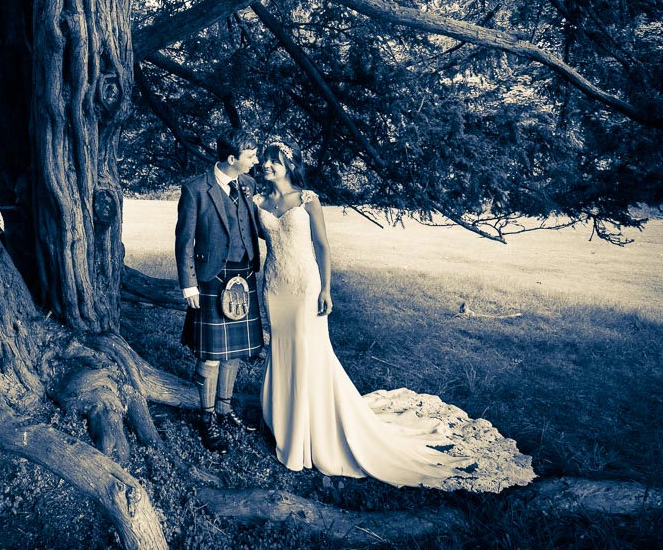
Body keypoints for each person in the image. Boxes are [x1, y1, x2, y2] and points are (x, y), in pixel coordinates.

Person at [255, 140, 470, 486]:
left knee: (309, 353)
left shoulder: (308, 200)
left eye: (274, 160)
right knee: (281, 350)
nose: (267, 165)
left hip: (305, 287)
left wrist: (326, 289)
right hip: (275, 287)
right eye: (264, 159)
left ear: (290, 164)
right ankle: (286, 425)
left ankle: (312, 432)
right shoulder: (259, 202)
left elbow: (322, 246)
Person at [175, 128, 264, 451]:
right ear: (232, 159)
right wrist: (189, 284)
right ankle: (207, 416)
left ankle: (225, 409)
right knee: (211, 355)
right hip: (212, 277)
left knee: (235, 352)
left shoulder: (249, 186)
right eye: (251, 156)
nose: (256, 161)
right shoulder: (196, 189)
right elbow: (184, 240)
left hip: (244, 273)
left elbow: (256, 225)